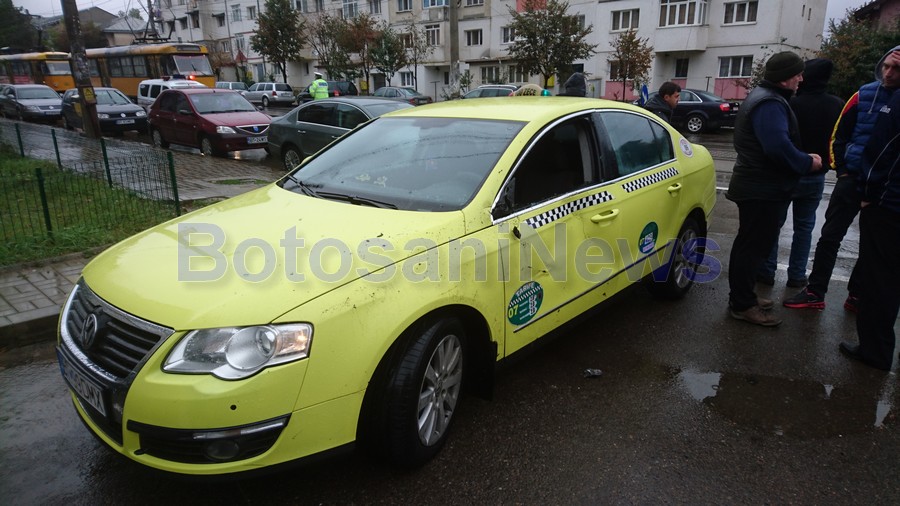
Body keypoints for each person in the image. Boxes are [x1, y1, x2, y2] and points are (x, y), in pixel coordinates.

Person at [783, 46, 900, 311]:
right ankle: (815, 291)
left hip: (885, 187)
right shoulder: (863, 95)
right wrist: (843, 171)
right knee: (830, 237)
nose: (889, 73)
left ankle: (857, 294)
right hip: (852, 179)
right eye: (886, 66)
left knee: (872, 245)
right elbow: (839, 135)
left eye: (897, 69)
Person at [726, 51, 823, 327]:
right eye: (797, 74)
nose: (801, 79)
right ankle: (742, 305)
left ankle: (744, 296)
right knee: (751, 248)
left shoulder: (766, 97)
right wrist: (807, 163)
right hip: (761, 189)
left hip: (759, 185)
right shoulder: (769, 103)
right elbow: (777, 147)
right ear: (784, 78)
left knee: (750, 245)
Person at [756, 59, 844, 288]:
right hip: (816, 174)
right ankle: (796, 275)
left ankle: (767, 271)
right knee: (804, 228)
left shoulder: (790, 103)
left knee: (775, 225)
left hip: (788, 172)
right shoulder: (836, 104)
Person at [838, 87, 900, 370]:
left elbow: (881, 150)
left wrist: (867, 191)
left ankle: (875, 351)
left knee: (879, 279)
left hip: (889, 204)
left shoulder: (895, 103)